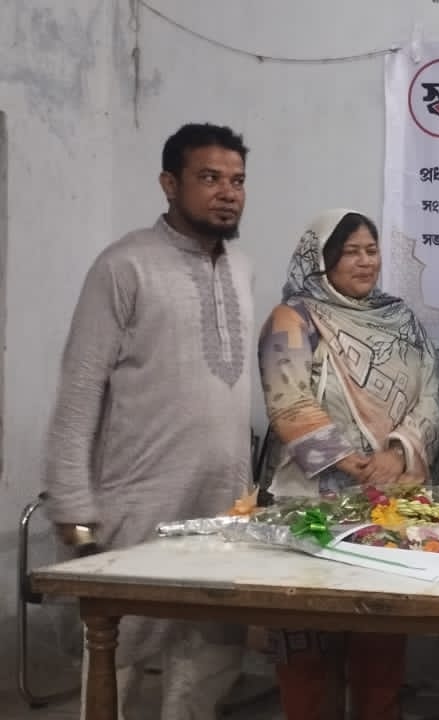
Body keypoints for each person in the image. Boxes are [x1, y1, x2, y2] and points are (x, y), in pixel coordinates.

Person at [45, 122, 252, 720]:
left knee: (209, 655)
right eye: (209, 177)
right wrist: (75, 511)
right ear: (169, 183)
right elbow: (79, 393)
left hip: (223, 507)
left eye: (237, 180)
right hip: (137, 503)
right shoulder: (124, 266)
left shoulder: (242, 268)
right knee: (119, 655)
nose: (227, 193)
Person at [257, 208, 439, 720]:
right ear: (322, 260)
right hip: (308, 506)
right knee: (306, 643)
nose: (365, 262)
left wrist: (397, 452)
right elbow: (287, 398)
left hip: (389, 505)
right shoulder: (293, 318)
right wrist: (349, 461)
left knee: (379, 640)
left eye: (371, 250)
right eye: (350, 252)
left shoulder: (401, 319)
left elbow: (432, 394)